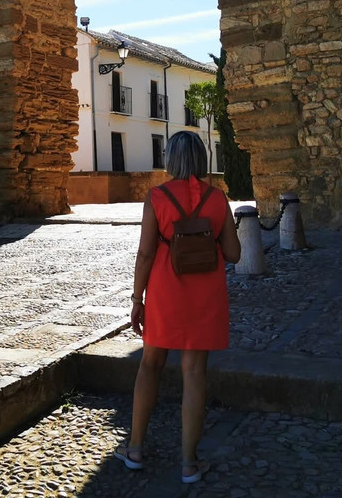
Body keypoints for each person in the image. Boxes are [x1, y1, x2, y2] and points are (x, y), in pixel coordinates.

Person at [113, 130, 241, 483]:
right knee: (195, 373)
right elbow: (234, 254)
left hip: (165, 294)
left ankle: (135, 448)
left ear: (170, 159)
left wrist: (137, 299)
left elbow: (145, 253)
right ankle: (188, 463)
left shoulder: (156, 197)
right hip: (205, 296)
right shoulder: (218, 199)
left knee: (150, 366)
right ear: (201, 159)